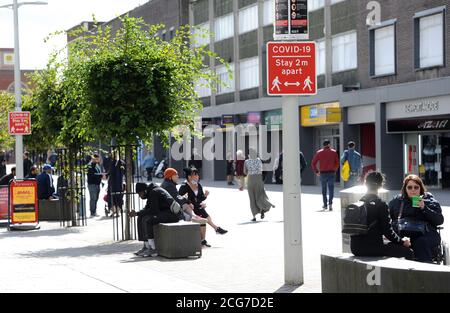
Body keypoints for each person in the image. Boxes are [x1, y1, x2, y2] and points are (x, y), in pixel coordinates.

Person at [350, 171, 414, 260]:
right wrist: (402, 242)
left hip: (355, 249)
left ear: (365, 184)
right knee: (408, 252)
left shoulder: (358, 203)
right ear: (380, 186)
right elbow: (388, 232)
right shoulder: (381, 205)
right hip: (374, 248)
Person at [388, 175, 444, 263]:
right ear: (405, 189)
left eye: (416, 187)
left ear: (420, 188)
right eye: (409, 187)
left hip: (426, 234)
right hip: (403, 233)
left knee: (421, 243)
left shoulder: (430, 201)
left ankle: (425, 269)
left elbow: (439, 220)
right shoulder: (397, 201)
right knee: (393, 244)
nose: (413, 190)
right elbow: (387, 218)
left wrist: (424, 207)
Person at [179, 167, 228, 248]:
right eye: (195, 175)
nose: (197, 176)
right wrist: (189, 203)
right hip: (189, 209)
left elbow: (200, 198)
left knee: (206, 218)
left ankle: (205, 239)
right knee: (204, 218)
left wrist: (205, 196)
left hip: (198, 207)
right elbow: (181, 198)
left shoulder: (198, 185)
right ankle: (215, 229)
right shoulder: (184, 186)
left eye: (197, 175)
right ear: (189, 177)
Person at [130, 182, 180, 258]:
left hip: (172, 215)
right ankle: (146, 246)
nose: (140, 196)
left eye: (140, 193)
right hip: (164, 213)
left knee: (149, 220)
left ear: (145, 191)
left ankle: (153, 248)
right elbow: (148, 208)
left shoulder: (154, 192)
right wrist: (138, 213)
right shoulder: (151, 192)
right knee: (140, 218)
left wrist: (137, 213)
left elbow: (154, 211)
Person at [244, 149, 275, 222]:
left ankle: (254, 216)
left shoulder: (246, 161)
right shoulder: (259, 160)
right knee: (261, 195)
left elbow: (245, 172)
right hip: (259, 179)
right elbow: (265, 170)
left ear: (249, 154)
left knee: (252, 198)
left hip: (250, 180)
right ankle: (266, 206)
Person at [311, 139, 339, 211]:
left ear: (323, 145)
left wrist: (317, 171)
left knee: (324, 190)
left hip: (323, 173)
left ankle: (325, 205)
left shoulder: (319, 152)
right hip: (331, 173)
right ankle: (330, 204)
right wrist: (335, 170)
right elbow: (337, 163)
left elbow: (313, 163)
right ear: (329, 144)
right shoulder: (334, 152)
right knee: (331, 189)